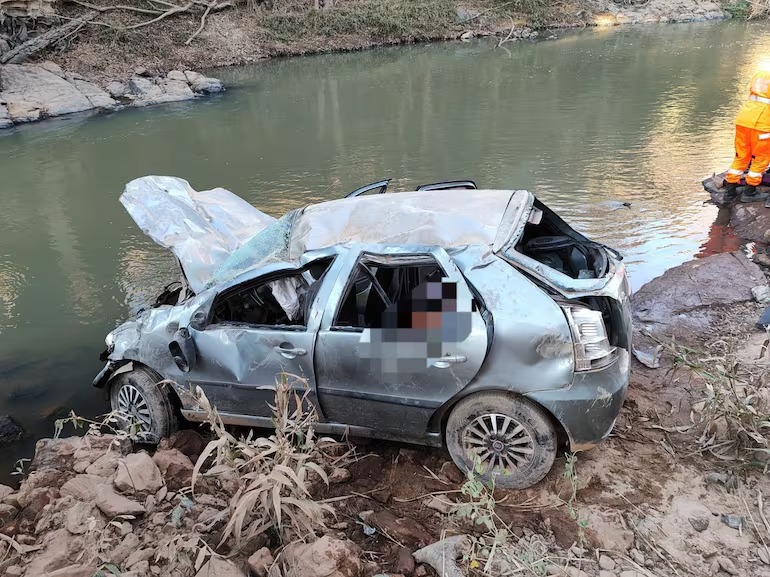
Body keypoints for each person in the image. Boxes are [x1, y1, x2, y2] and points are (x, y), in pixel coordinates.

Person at [724, 68, 770, 202]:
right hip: (762, 123)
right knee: (760, 157)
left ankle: (730, 191)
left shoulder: (761, 73)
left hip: (744, 119)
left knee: (741, 155)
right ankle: (749, 192)